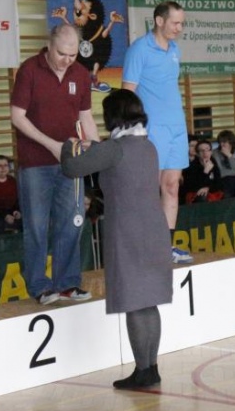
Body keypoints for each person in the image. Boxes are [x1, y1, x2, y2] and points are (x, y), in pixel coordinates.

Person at [61, 90, 172, 389]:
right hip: (154, 229)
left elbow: (71, 168)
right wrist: (96, 147)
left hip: (128, 231)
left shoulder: (115, 148)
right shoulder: (147, 145)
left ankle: (142, 370)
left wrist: (67, 146)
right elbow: (116, 160)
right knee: (148, 302)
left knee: (134, 301)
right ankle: (151, 368)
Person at [11, 23, 99, 305]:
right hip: (35, 163)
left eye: (72, 55)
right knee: (37, 226)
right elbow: (17, 116)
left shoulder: (81, 74)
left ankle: (67, 283)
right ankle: (39, 285)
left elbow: (86, 116)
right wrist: (50, 144)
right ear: (49, 46)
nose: (66, 60)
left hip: (70, 162)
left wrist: (97, 148)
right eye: (61, 54)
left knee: (72, 222)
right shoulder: (29, 70)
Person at [122, 0, 193, 264]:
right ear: (159, 21)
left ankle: (166, 246)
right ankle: (143, 247)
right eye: (175, 23)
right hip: (151, 129)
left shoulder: (174, 49)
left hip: (177, 127)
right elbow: (127, 94)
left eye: (182, 23)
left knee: (172, 186)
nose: (179, 28)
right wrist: (132, 132)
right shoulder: (139, 49)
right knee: (148, 189)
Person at [183, 139, 224, 203]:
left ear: (211, 152)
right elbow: (192, 186)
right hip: (195, 194)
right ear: (197, 154)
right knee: (202, 196)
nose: (205, 153)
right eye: (202, 151)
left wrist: (208, 188)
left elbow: (219, 183)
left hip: (211, 191)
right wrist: (205, 172)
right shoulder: (192, 166)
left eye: (208, 150)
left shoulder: (213, 163)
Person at [212, 130, 235, 197]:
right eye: (220, 142)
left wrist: (229, 156)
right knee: (233, 180)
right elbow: (220, 171)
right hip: (223, 179)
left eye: (224, 142)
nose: (221, 145)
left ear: (231, 142)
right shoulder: (215, 153)